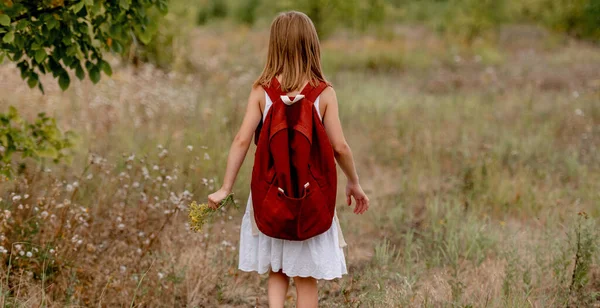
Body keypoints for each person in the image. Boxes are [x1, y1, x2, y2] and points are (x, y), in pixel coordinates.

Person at [207, 11, 369, 308]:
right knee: (306, 278)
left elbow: (242, 140)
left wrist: (225, 187)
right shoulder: (324, 93)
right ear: (312, 46)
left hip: (269, 194)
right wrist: (354, 182)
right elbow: (341, 147)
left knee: (277, 269)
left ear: (275, 46)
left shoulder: (262, 90)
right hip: (311, 196)